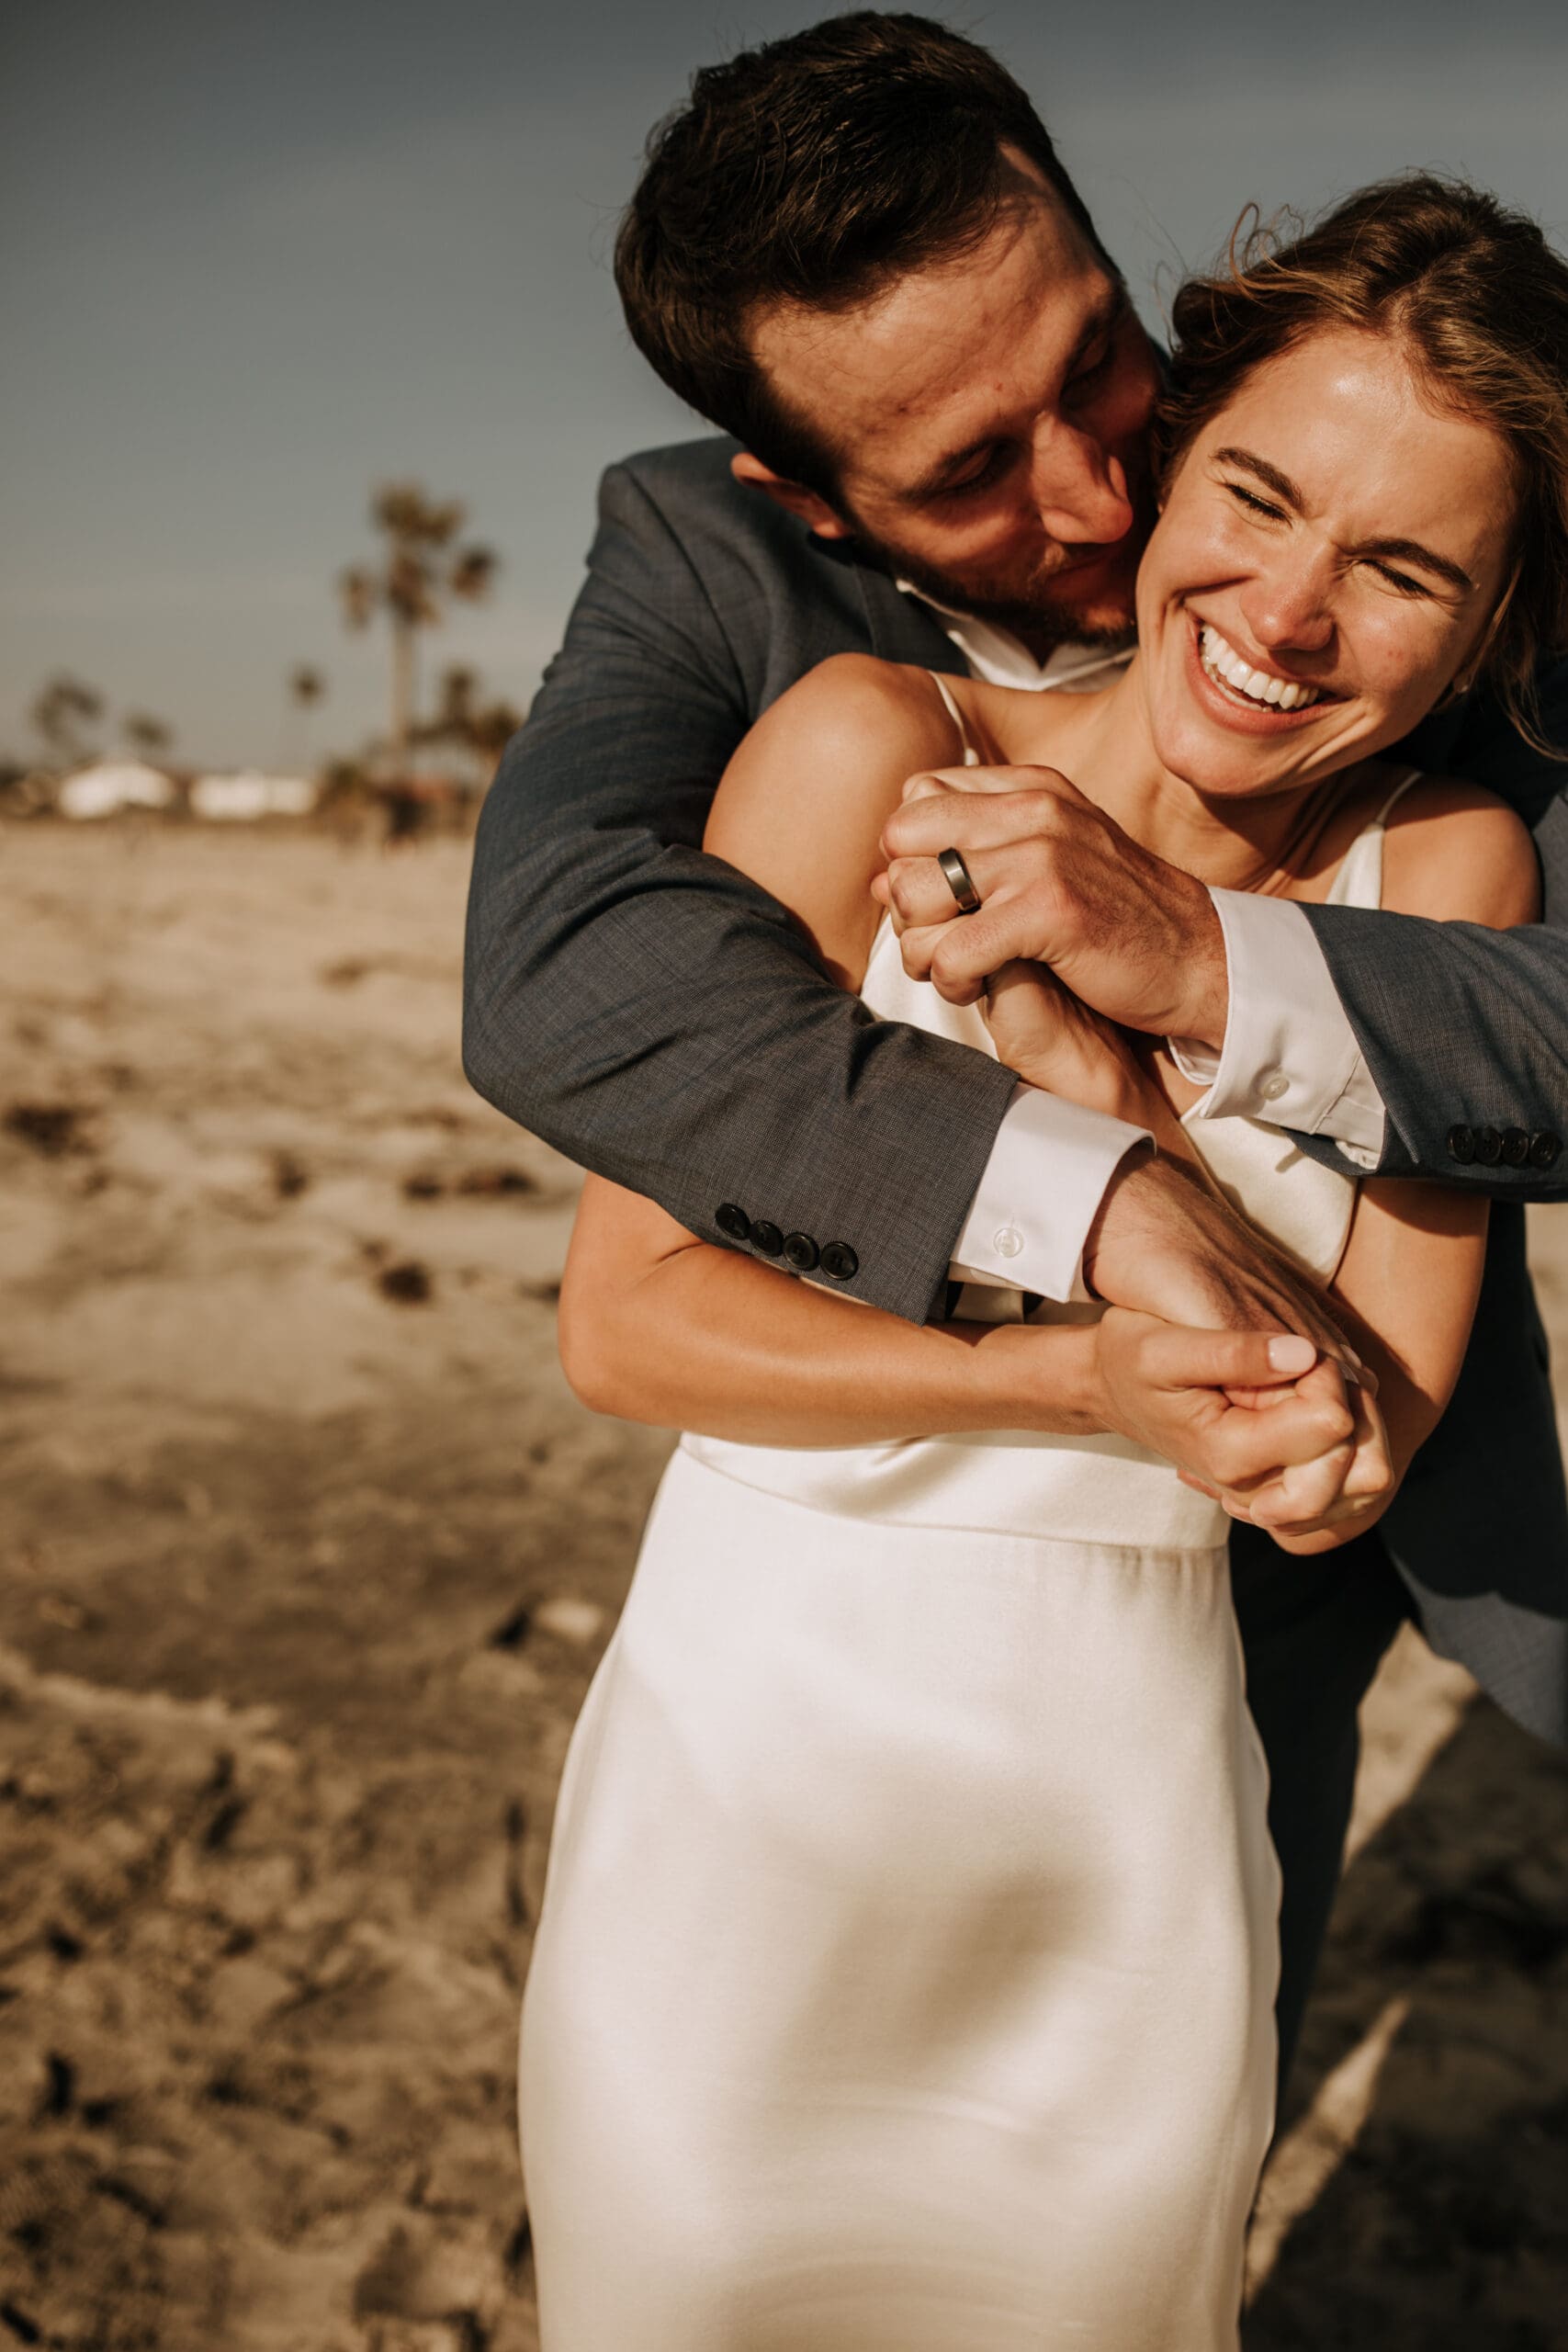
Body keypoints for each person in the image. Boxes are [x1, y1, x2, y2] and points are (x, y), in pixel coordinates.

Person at [465, 8, 1568, 2129]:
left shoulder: (1396, 569)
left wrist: (1182, 959)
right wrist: (1088, 1183)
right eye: (966, 466)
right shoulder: (731, 590)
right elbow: (567, 975)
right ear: (802, 488)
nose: (1091, 489)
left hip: (1250, 1619)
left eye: (1093, 368)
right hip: (813, 1645)